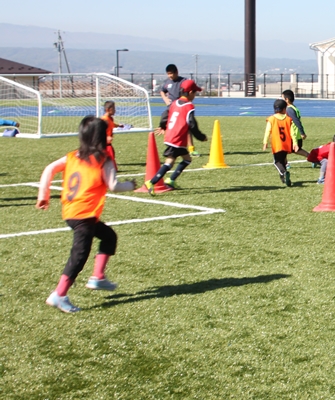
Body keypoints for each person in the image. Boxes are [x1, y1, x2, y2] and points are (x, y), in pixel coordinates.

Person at [36, 116, 136, 313]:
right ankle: (59, 294)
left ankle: (97, 277)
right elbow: (114, 186)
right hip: (84, 215)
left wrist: (43, 195)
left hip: (71, 212)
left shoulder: (72, 156)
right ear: (101, 137)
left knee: (108, 236)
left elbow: (49, 169)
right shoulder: (103, 159)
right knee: (79, 256)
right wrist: (131, 185)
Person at [145, 79, 208, 193]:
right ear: (189, 93)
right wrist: (201, 136)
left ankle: (171, 180)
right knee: (169, 162)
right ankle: (152, 181)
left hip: (172, 137)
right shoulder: (189, 106)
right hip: (177, 139)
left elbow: (165, 114)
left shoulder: (174, 103)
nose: (195, 95)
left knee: (187, 159)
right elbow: (192, 124)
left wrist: (163, 126)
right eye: (195, 93)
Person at [161, 64, 199, 157]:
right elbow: (162, 91)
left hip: (182, 108)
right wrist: (165, 99)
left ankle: (191, 149)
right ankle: (171, 146)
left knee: (186, 127)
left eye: (171, 74)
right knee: (170, 126)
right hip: (172, 108)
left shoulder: (183, 81)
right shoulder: (167, 82)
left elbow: (191, 91)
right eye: (168, 74)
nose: (170, 76)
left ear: (176, 72)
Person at [263, 99, 298, 186]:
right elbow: (292, 132)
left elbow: (267, 131)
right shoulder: (288, 119)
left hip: (277, 144)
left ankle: (283, 173)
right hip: (286, 144)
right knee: (282, 161)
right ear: (284, 109)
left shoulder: (271, 119)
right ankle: (284, 179)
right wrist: (295, 143)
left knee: (277, 162)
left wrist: (265, 142)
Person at [282, 89, 309, 158]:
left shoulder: (289, 109)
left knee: (284, 149)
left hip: (293, 134)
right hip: (295, 134)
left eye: (282, 98)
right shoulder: (293, 107)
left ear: (287, 99)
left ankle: (311, 157)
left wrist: (302, 132)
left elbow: (296, 121)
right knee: (289, 149)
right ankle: (311, 157)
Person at [101, 101, 123, 171]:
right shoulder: (104, 119)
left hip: (108, 143)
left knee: (111, 153)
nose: (115, 110)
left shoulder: (110, 119)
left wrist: (118, 125)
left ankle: (111, 167)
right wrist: (106, 137)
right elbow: (100, 130)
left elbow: (111, 124)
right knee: (109, 153)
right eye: (113, 109)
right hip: (104, 143)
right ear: (108, 109)